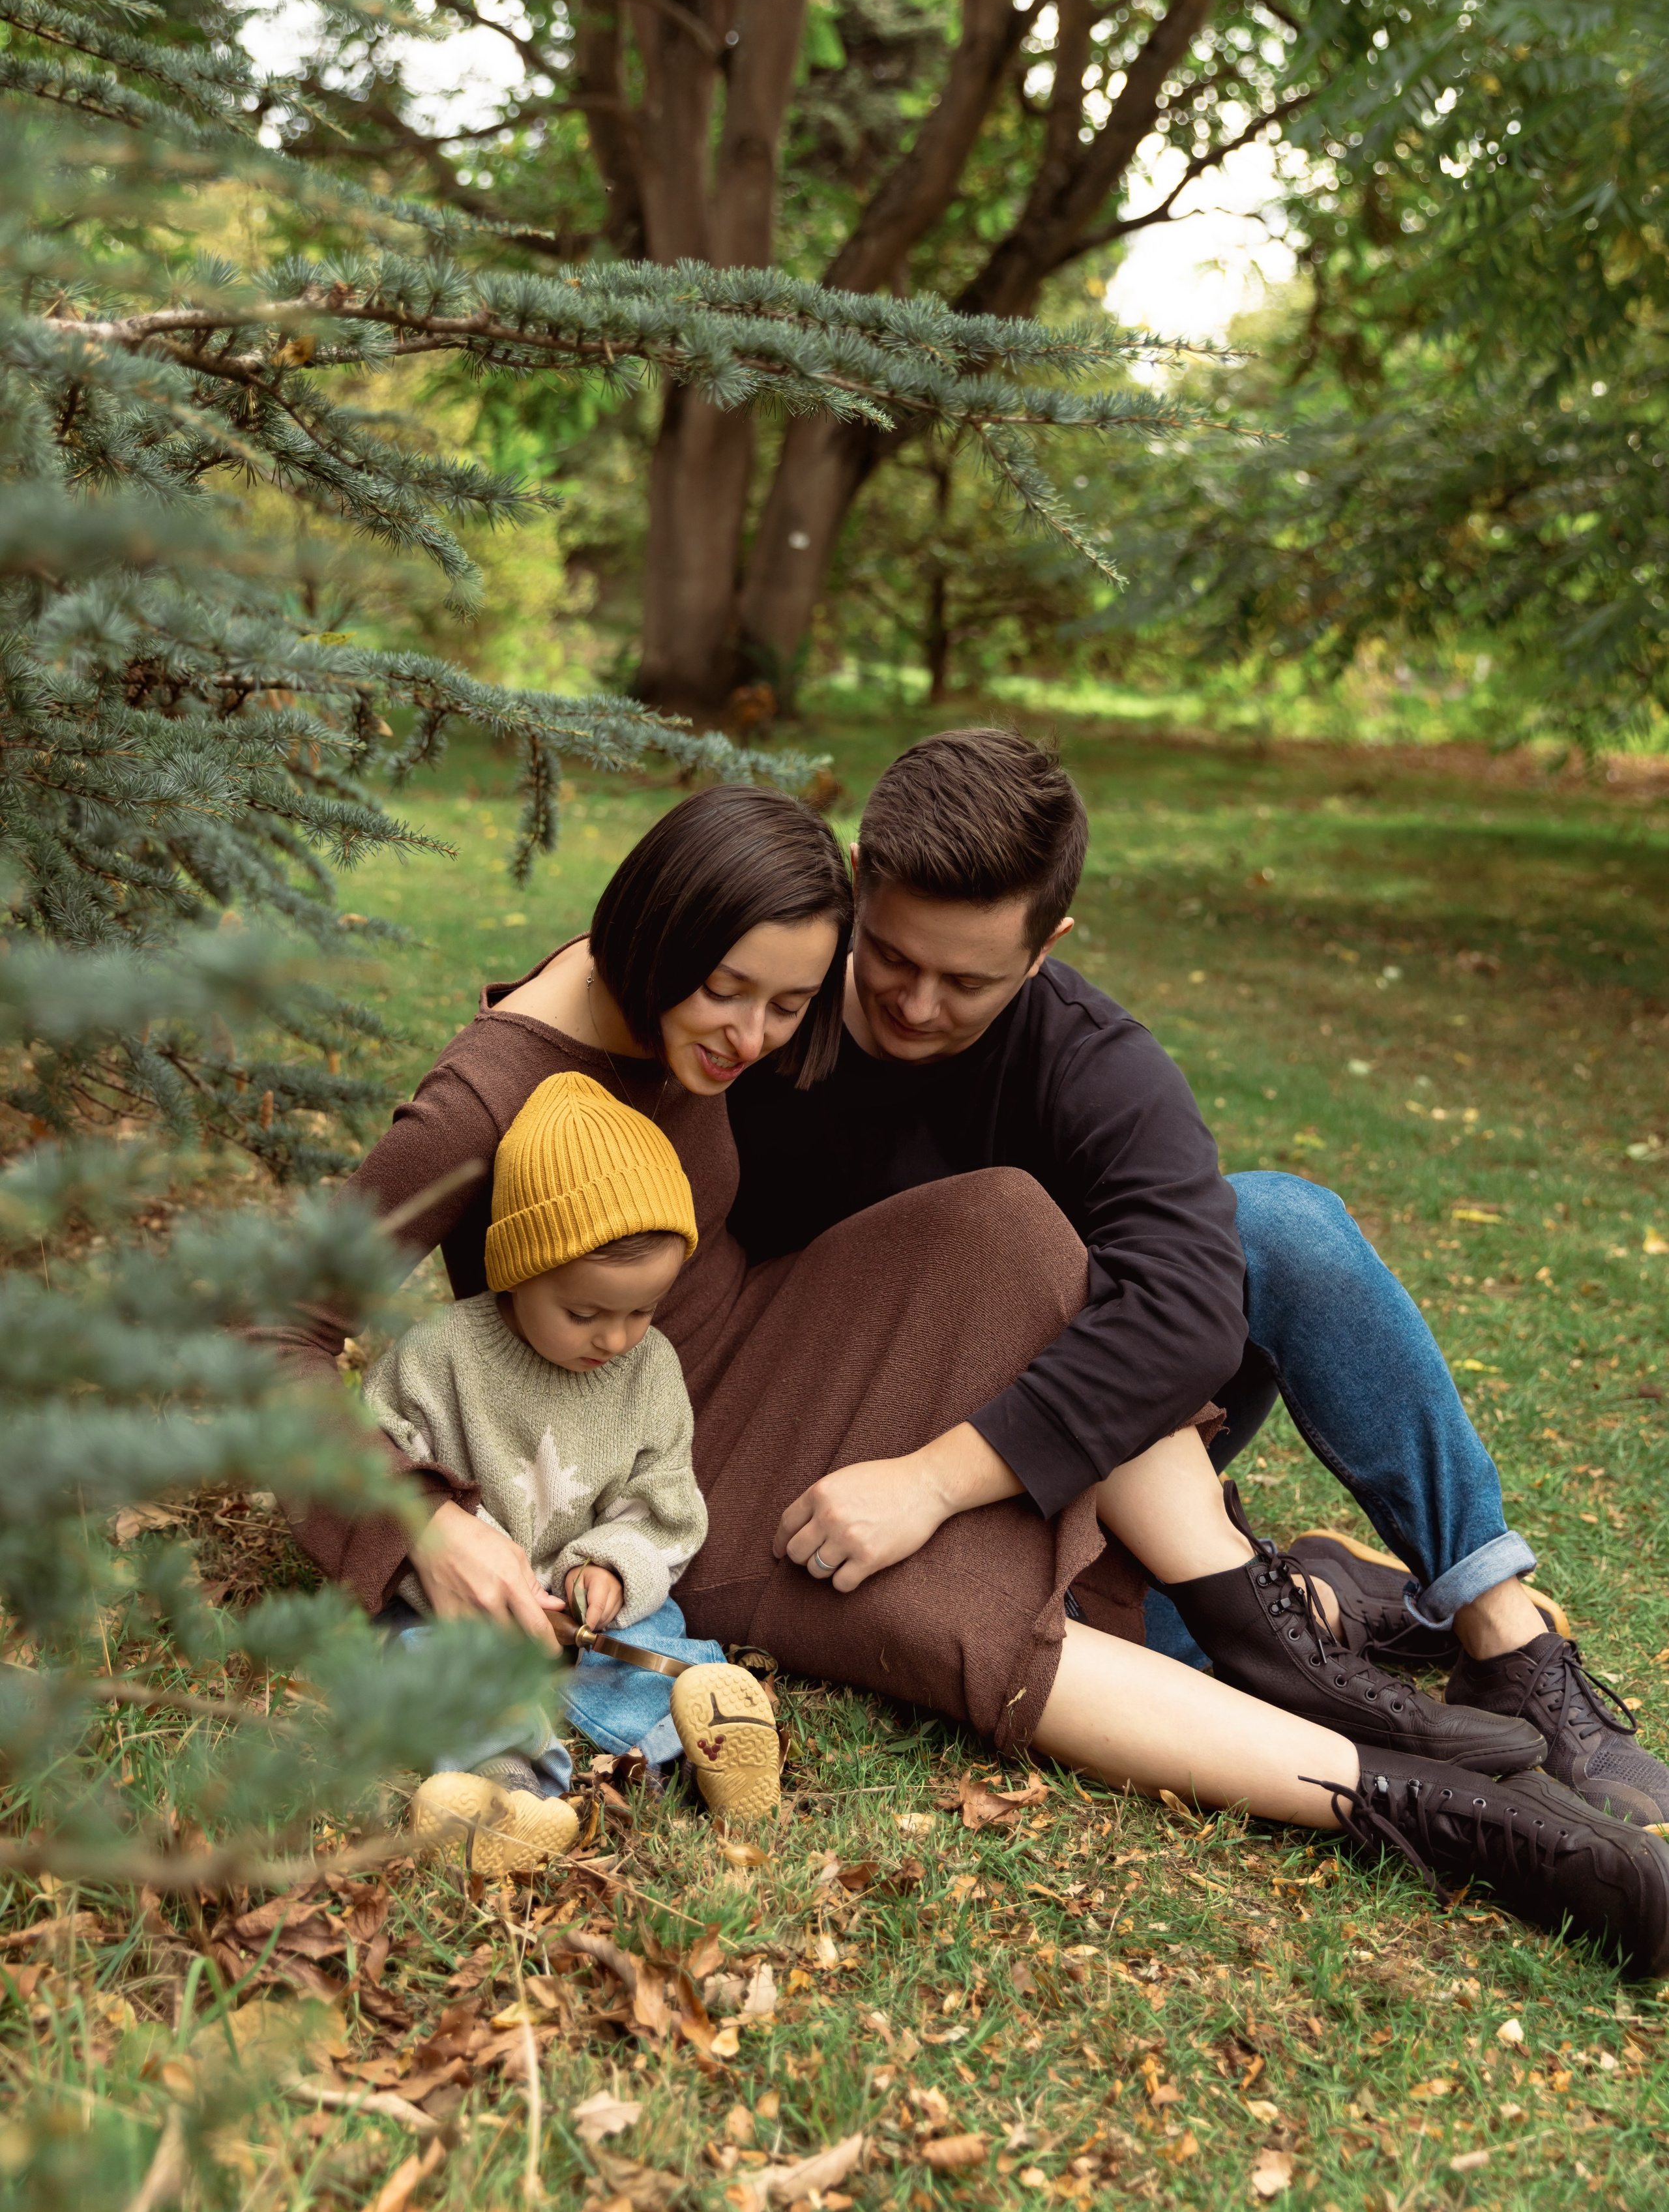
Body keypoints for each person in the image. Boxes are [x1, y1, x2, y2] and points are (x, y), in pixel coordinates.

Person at [276, 781, 1669, 1973]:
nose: (760, 1038)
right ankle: (1447, 1812)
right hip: (660, 1457)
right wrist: (424, 1509)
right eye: (731, 996)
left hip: (776, 1333)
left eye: (787, 1001)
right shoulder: (484, 1096)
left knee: (1012, 1221)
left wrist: (931, 1464)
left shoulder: (755, 987)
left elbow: (1171, 1280)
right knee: (952, 1607)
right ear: (652, 937)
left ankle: (1279, 1622)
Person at [728, 728, 1669, 1828]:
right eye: (894, 957)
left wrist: (936, 1479)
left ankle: (1503, 1633)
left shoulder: (1087, 1060)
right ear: (856, 881)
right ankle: (1317, 1592)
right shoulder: (756, 1014)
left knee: (1278, 1223)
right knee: (1185, 1665)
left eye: (969, 978)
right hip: (835, 1458)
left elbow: (1188, 1311)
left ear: (1047, 946)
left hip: (1055, 1453)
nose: (920, 1005)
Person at [364, 1070, 782, 1856]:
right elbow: (375, 1479)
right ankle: (505, 1794)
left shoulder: (650, 1371)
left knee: (658, 1641)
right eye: (585, 1312)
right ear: (518, 1269)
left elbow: (664, 1501)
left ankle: (688, 1746)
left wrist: (613, 1571)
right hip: (459, 1612)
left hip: (591, 1619)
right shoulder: (437, 1358)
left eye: (642, 1309)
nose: (617, 1338)